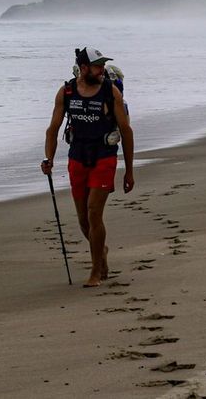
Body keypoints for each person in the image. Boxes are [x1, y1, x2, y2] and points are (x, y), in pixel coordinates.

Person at [41, 46, 135, 287]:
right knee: (83, 219)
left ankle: (95, 271)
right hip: (77, 157)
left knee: (94, 213)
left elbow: (126, 130)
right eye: (97, 66)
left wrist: (129, 170)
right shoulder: (67, 92)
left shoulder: (110, 91)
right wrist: (48, 159)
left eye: (103, 65)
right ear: (83, 68)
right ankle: (100, 251)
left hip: (104, 155)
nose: (101, 70)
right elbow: (53, 129)